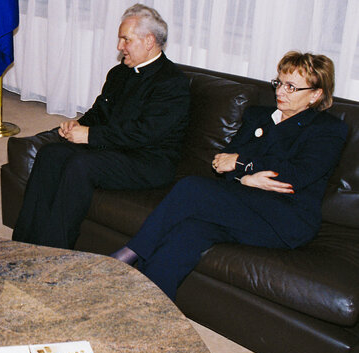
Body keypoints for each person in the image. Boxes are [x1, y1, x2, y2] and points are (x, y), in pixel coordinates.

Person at [111, 51, 348, 301]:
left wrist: (242, 164)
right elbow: (221, 161)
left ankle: (129, 253)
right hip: (240, 206)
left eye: (291, 87)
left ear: (315, 94)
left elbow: (296, 174)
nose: (280, 92)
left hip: (283, 220)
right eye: (279, 83)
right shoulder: (258, 116)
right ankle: (147, 306)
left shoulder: (328, 130)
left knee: (191, 187)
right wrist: (244, 178)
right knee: (189, 232)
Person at [12, 4, 191, 249]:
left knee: (81, 165)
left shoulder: (172, 83)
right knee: (50, 154)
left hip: (149, 161)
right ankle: (23, 244)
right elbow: (99, 113)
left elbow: (145, 133)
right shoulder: (119, 73)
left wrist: (90, 135)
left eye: (125, 40)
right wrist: (78, 125)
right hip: (115, 149)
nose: (119, 47)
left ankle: (54, 253)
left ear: (149, 41)